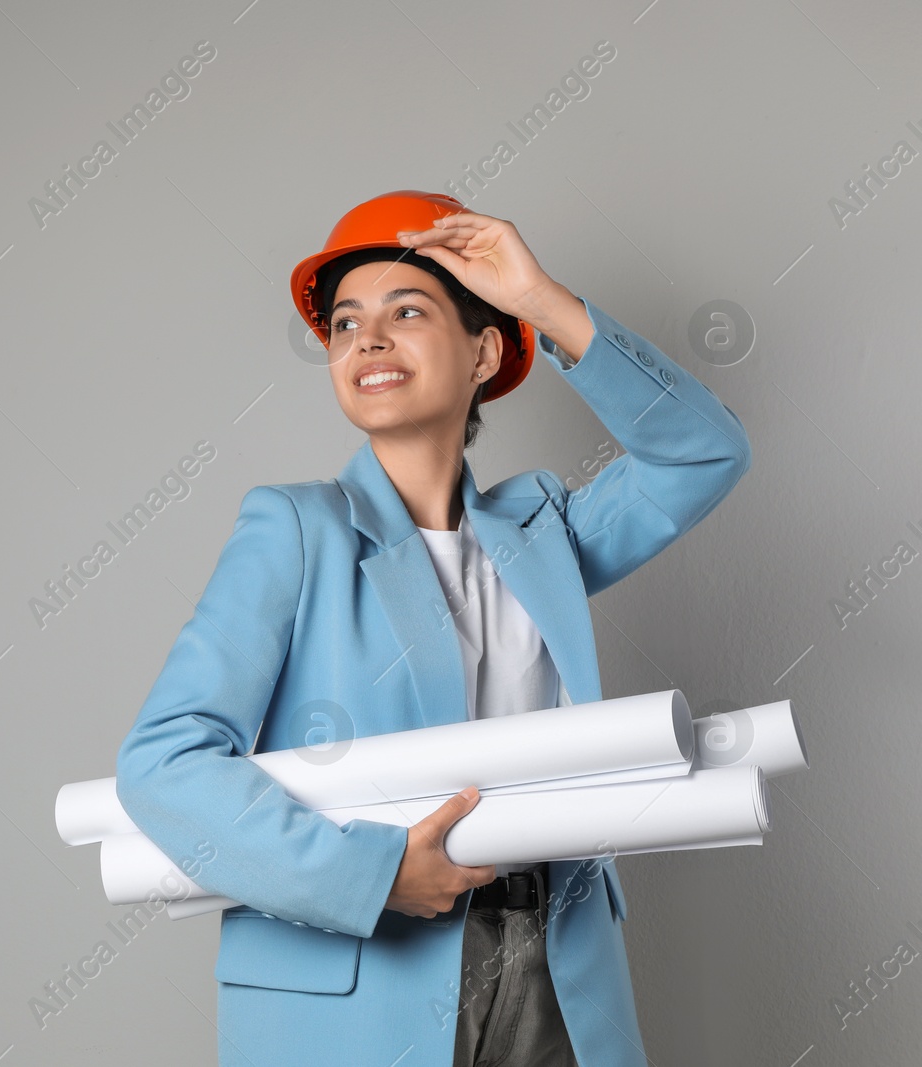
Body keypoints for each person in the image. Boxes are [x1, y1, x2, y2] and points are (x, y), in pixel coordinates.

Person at [113, 191, 751, 1066]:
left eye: (406, 311)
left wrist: (542, 301)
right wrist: (371, 875)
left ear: (485, 350)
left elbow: (704, 452)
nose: (367, 341)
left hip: (558, 959)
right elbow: (164, 764)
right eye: (345, 324)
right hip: (365, 971)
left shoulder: (544, 533)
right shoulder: (295, 529)